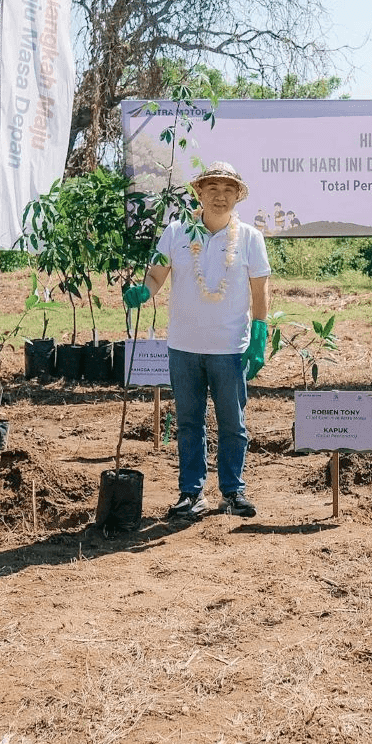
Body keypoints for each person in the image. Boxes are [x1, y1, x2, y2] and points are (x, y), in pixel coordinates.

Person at [129, 162, 271, 520]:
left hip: (230, 348)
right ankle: (191, 493)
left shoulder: (250, 238)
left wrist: (259, 332)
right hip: (184, 346)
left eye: (227, 190)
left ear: (238, 196)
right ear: (199, 193)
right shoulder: (176, 232)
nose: (219, 196)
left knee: (233, 423)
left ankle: (233, 492)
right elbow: (157, 274)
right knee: (189, 422)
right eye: (212, 189)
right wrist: (143, 292)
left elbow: (260, 286)